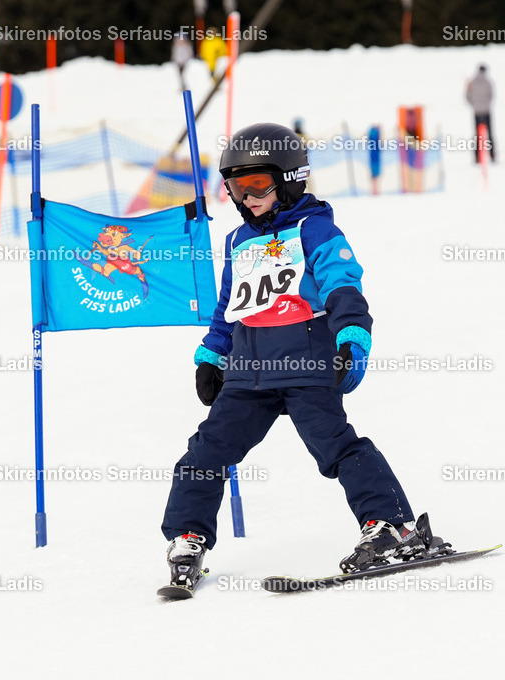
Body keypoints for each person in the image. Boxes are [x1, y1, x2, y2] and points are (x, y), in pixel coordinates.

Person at [160, 123, 450, 591]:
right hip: (247, 373)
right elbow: (229, 306)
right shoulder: (237, 241)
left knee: (336, 446)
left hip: (305, 364)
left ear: (291, 178)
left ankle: (389, 526)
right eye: (236, 186)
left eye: (257, 184)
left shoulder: (313, 228)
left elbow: (341, 282)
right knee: (206, 451)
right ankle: (188, 537)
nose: (246, 196)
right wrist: (211, 355)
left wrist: (352, 337)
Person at [465, 64, 495, 162]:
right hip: (486, 111)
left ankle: (477, 157)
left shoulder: (472, 82)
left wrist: (474, 105)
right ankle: (492, 155)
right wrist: (486, 105)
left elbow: (467, 95)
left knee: (477, 135)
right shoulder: (488, 82)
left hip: (477, 112)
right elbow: (491, 95)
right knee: (490, 134)